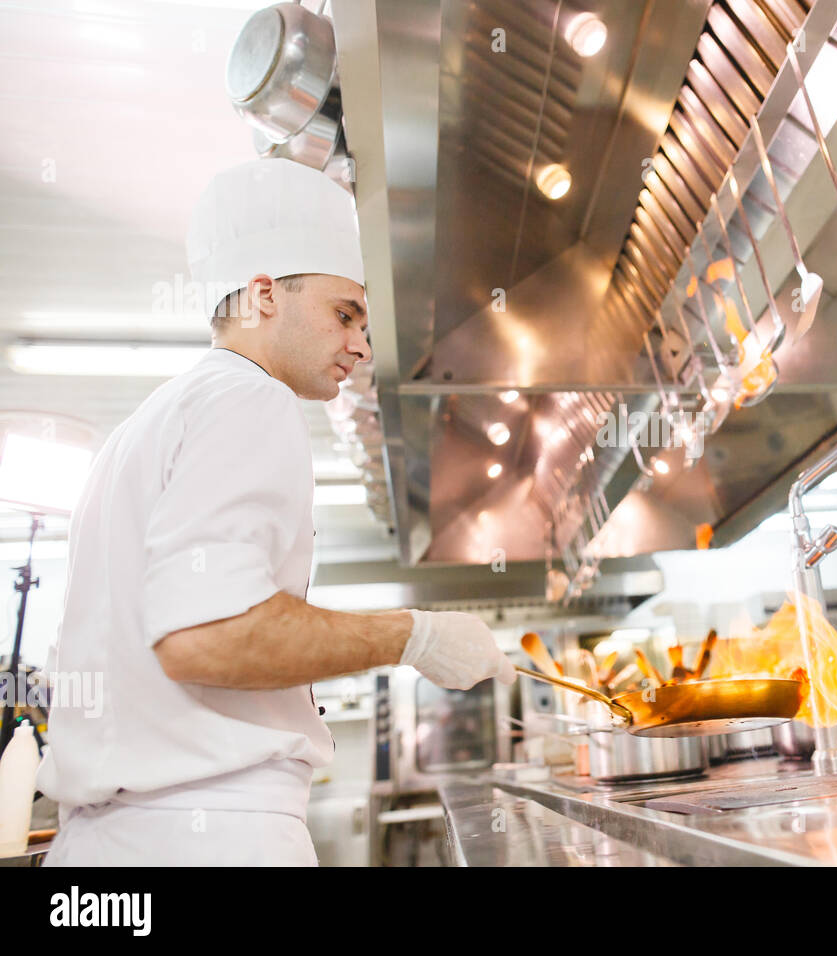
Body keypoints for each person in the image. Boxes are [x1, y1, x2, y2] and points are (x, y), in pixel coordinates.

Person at [36, 159, 515, 866]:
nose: (360, 343)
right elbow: (206, 636)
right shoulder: (247, 399)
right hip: (209, 837)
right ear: (263, 296)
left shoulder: (140, 430)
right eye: (343, 314)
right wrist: (416, 637)